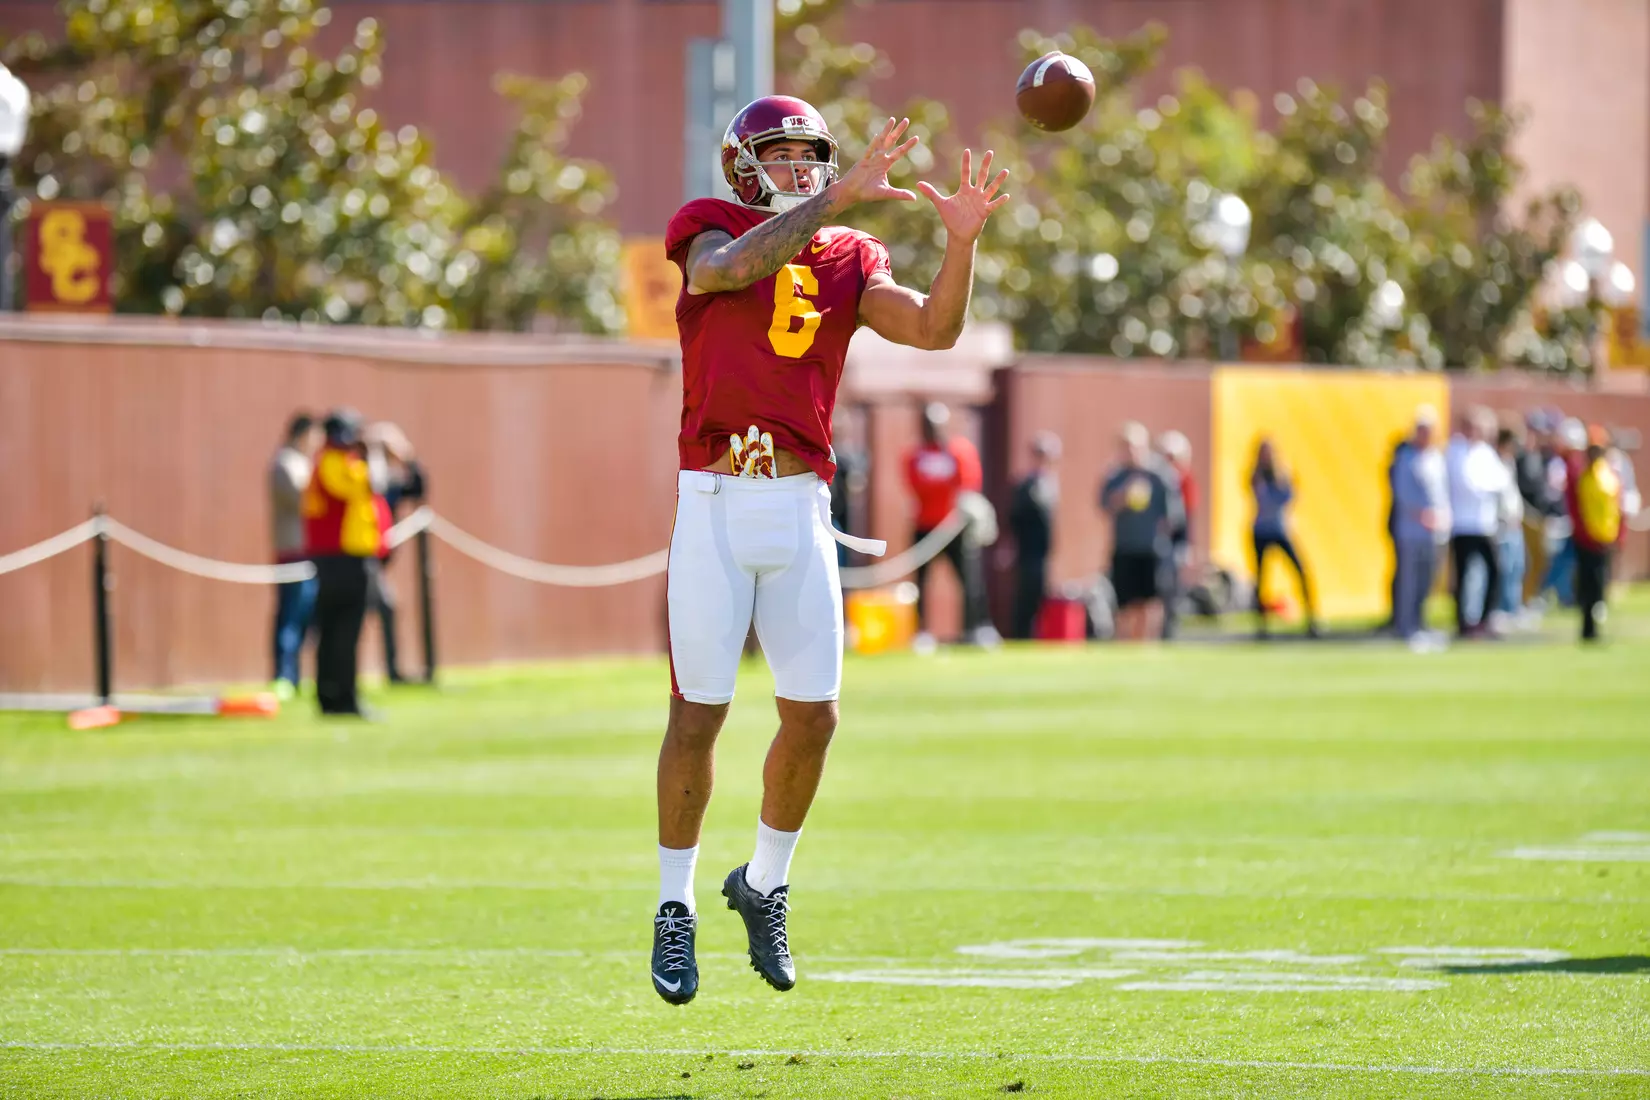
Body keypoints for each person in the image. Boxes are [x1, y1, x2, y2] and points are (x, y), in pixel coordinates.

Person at [651, 97, 1010, 1005]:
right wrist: (835, 200)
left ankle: (764, 883)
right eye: (780, 157)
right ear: (742, 166)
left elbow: (932, 329)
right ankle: (673, 905)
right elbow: (729, 270)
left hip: (800, 501)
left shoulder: (849, 251)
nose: (799, 170)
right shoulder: (708, 225)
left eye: (810, 157)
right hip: (716, 499)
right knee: (698, 714)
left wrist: (961, 243)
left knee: (815, 716)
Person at [302, 407, 389, 717]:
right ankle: (342, 698)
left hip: (342, 558)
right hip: (342, 558)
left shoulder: (334, 461)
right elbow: (376, 483)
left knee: (336, 630)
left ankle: (333, 696)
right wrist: (374, 451)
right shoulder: (334, 462)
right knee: (342, 631)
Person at [904, 402, 991, 650]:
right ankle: (921, 631)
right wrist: (941, 486)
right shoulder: (916, 454)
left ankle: (975, 628)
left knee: (969, 579)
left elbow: (968, 482)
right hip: (925, 526)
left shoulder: (959, 450)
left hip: (954, 527)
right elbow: (915, 484)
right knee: (921, 582)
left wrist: (940, 486)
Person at [1099, 422, 1181, 641]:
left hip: (1151, 548)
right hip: (1124, 546)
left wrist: (1162, 541)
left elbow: (1172, 515)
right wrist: (1123, 496)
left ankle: (1146, 643)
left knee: (1150, 600)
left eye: (1133, 446)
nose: (1130, 451)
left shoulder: (1159, 475)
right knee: (1124, 601)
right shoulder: (1115, 476)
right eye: (1125, 446)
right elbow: (1104, 506)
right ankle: (1124, 643)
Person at [366, 422, 424, 684]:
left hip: (378, 559)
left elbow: (418, 488)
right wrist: (374, 448)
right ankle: (391, 672)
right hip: (362, 556)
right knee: (382, 606)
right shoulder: (367, 475)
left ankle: (392, 671)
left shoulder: (391, 480)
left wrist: (407, 455)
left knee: (377, 609)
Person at [269, 412, 321, 699]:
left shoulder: (304, 463)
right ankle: (284, 676)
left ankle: (297, 676)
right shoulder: (285, 463)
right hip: (293, 552)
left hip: (309, 552)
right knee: (289, 615)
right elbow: (306, 501)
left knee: (305, 618)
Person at [1445, 406, 1509, 637]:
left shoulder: (1485, 452)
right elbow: (1467, 483)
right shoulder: (1456, 450)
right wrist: (1487, 487)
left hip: (1485, 524)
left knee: (1495, 570)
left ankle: (1485, 619)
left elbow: (1501, 481)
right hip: (1463, 524)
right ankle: (1463, 623)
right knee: (1463, 575)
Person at [1391, 406, 1449, 642]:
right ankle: (1407, 627)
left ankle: (1421, 623)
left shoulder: (1436, 457)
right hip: (1412, 530)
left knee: (1427, 581)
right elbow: (1403, 495)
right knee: (1410, 581)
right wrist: (1424, 515)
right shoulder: (1406, 457)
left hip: (1434, 532)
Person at [1249, 438, 1318, 638]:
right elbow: (1262, 499)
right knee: (1261, 579)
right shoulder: (1256, 475)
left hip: (1280, 529)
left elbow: (1289, 497)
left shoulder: (1281, 473)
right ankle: (1261, 625)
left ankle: (1312, 618)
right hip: (1262, 531)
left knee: (1301, 570)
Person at [1568, 425, 1623, 642]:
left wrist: (1618, 536)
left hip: (1605, 538)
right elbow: (1576, 507)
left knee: (1600, 584)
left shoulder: (1609, 474)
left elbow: (1617, 508)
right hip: (1586, 539)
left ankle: (1595, 626)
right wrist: (1583, 533)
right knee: (1586, 583)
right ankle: (1587, 627)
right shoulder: (1582, 475)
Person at [1007, 431, 1060, 639]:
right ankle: (1020, 634)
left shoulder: (1050, 482)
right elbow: (1015, 517)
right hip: (1027, 549)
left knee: (1040, 592)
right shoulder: (1025, 484)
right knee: (1026, 593)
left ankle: (1036, 633)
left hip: (1043, 549)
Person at [1157, 431, 1197, 640]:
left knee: (1172, 586)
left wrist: (1187, 545)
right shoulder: (1155, 479)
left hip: (1176, 541)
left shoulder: (1185, 481)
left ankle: (1169, 628)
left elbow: (1188, 515)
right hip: (1156, 541)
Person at [1492, 420, 1527, 622]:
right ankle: (1501, 609)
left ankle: (1512, 608)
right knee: (1504, 568)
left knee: (1517, 566)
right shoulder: (1494, 463)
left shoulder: (1509, 463)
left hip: (1515, 523)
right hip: (1502, 525)